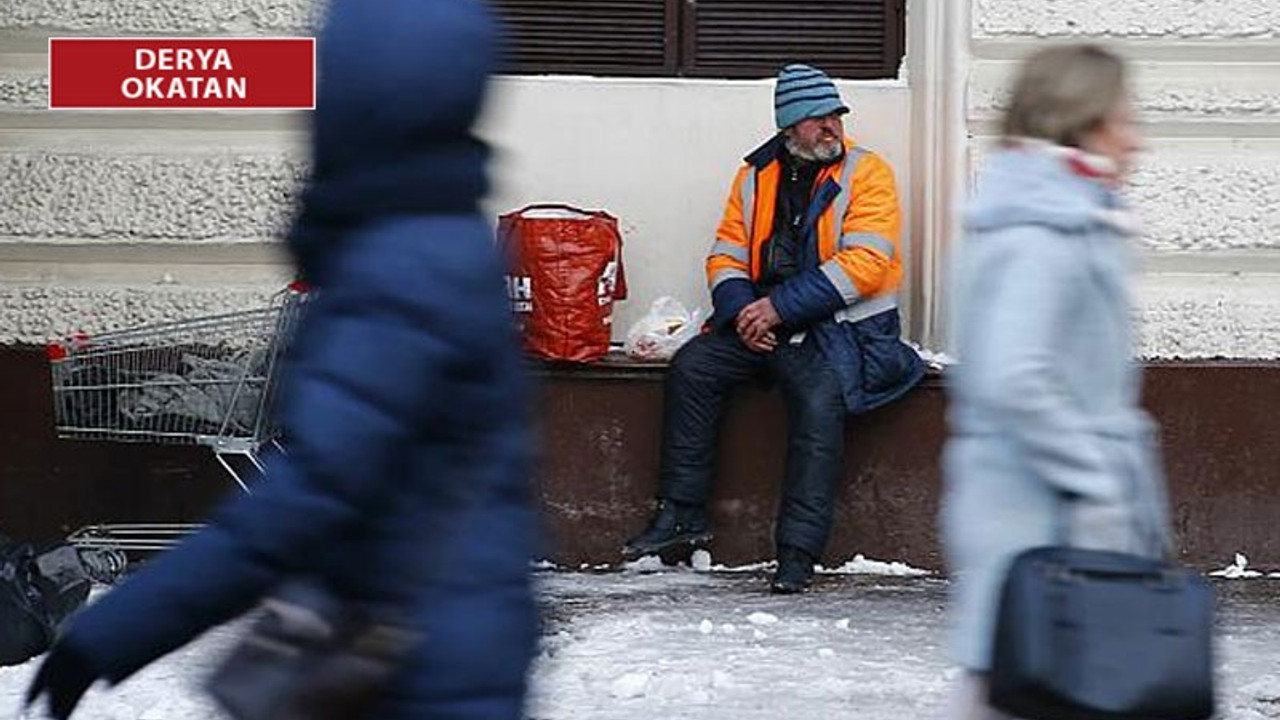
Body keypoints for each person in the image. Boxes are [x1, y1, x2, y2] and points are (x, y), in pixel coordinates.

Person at [24, 1, 539, 719]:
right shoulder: (435, 235)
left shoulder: (399, 265)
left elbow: (311, 496)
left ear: (360, 104)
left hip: (411, 666)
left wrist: (113, 631)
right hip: (432, 640)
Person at [622, 64, 924, 593]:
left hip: (837, 332)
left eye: (834, 114)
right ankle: (682, 515)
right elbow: (725, 254)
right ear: (789, 128)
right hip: (762, 323)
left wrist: (776, 310)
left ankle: (797, 550)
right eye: (815, 118)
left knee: (818, 400)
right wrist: (745, 312)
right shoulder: (755, 175)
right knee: (694, 367)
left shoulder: (867, 173)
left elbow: (866, 264)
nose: (830, 126)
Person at [939, 44, 1171, 718]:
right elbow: (1013, 376)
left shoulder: (1059, 220)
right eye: (1125, 118)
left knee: (1016, 689)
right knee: (1026, 691)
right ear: (1082, 122)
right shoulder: (1041, 233)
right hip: (1044, 523)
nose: (1138, 141)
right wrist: (1097, 478)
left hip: (1045, 523)